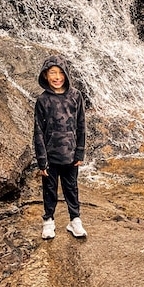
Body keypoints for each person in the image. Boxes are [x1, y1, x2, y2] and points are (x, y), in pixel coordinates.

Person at [33, 55, 87, 240]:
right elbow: (38, 131)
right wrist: (42, 160)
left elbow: (81, 125)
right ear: (45, 76)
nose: (57, 77)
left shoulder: (75, 96)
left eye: (60, 73)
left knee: (71, 188)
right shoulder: (42, 100)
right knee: (49, 189)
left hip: (71, 154)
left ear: (66, 75)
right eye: (52, 73)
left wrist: (80, 151)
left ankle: (75, 219)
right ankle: (48, 220)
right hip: (50, 155)